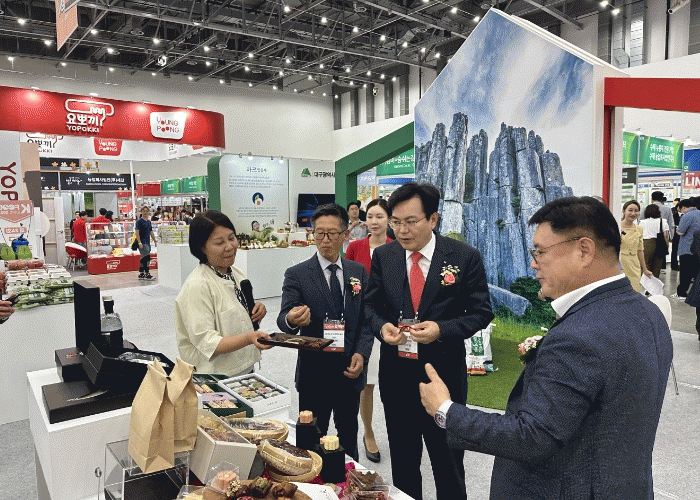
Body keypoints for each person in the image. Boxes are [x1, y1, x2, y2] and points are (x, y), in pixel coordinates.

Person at [419, 195, 673, 500]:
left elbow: (532, 437)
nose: (533, 263)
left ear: (584, 250)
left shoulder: (579, 336)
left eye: (540, 251)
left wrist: (446, 410)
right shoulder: (649, 313)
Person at [364, 182, 493, 500]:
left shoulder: (463, 256)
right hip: (396, 377)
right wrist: (382, 328)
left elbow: (481, 312)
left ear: (433, 219)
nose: (401, 231)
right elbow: (369, 306)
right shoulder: (384, 256)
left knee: (448, 463)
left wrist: (441, 329)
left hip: (443, 378)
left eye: (411, 222)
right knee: (404, 464)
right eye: (396, 222)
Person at [277, 203, 373, 461]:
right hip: (314, 375)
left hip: (349, 373)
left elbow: (366, 320)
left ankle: (349, 481)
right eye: (319, 233)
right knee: (310, 444)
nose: (325, 240)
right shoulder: (297, 274)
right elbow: (283, 319)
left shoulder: (357, 272)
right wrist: (292, 319)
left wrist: (362, 354)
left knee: (348, 440)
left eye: (332, 233)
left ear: (345, 234)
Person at [175, 210, 271, 375]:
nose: (230, 247)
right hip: (216, 377)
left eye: (232, 238)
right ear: (202, 247)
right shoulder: (198, 285)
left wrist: (256, 310)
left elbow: (233, 314)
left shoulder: (235, 273)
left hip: (244, 368)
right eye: (219, 243)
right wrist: (249, 338)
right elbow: (207, 341)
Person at [344, 198, 392, 463]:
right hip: (363, 324)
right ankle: (368, 431)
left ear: (389, 219)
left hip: (390, 323)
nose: (374, 222)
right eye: (370, 216)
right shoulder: (355, 247)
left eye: (380, 216)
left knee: (395, 382)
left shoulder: (397, 247)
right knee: (367, 383)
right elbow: (345, 282)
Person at [619, 200, 652, 291]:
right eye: (630, 210)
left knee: (635, 289)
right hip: (619, 264)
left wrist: (645, 269)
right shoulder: (616, 226)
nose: (633, 213)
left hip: (634, 265)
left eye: (636, 211)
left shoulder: (639, 229)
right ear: (624, 211)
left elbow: (640, 250)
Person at [673, 198, 700, 298]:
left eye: (681, 209)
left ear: (683, 207)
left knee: (685, 272)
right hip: (698, 248)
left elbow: (681, 232)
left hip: (687, 248)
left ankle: (681, 293)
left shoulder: (687, 215)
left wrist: (676, 229)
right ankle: (696, 294)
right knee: (697, 272)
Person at [639, 203, 669, 278]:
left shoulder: (642, 222)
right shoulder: (663, 221)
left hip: (646, 243)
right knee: (657, 267)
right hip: (659, 244)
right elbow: (665, 235)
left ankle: (644, 283)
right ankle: (654, 283)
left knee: (645, 266)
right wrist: (666, 246)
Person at [135, 207, 157, 281]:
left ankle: (141, 273)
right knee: (146, 258)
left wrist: (154, 240)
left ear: (148, 212)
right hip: (142, 242)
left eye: (146, 211)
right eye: (143, 211)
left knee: (143, 258)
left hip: (147, 242)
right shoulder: (139, 221)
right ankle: (147, 273)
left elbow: (151, 231)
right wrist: (139, 242)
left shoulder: (148, 222)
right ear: (141, 212)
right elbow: (137, 232)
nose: (145, 212)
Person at [671, 198, 681, 270]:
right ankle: (674, 265)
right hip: (675, 233)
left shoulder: (684, 214)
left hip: (680, 233)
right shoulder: (673, 212)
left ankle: (678, 264)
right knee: (674, 249)